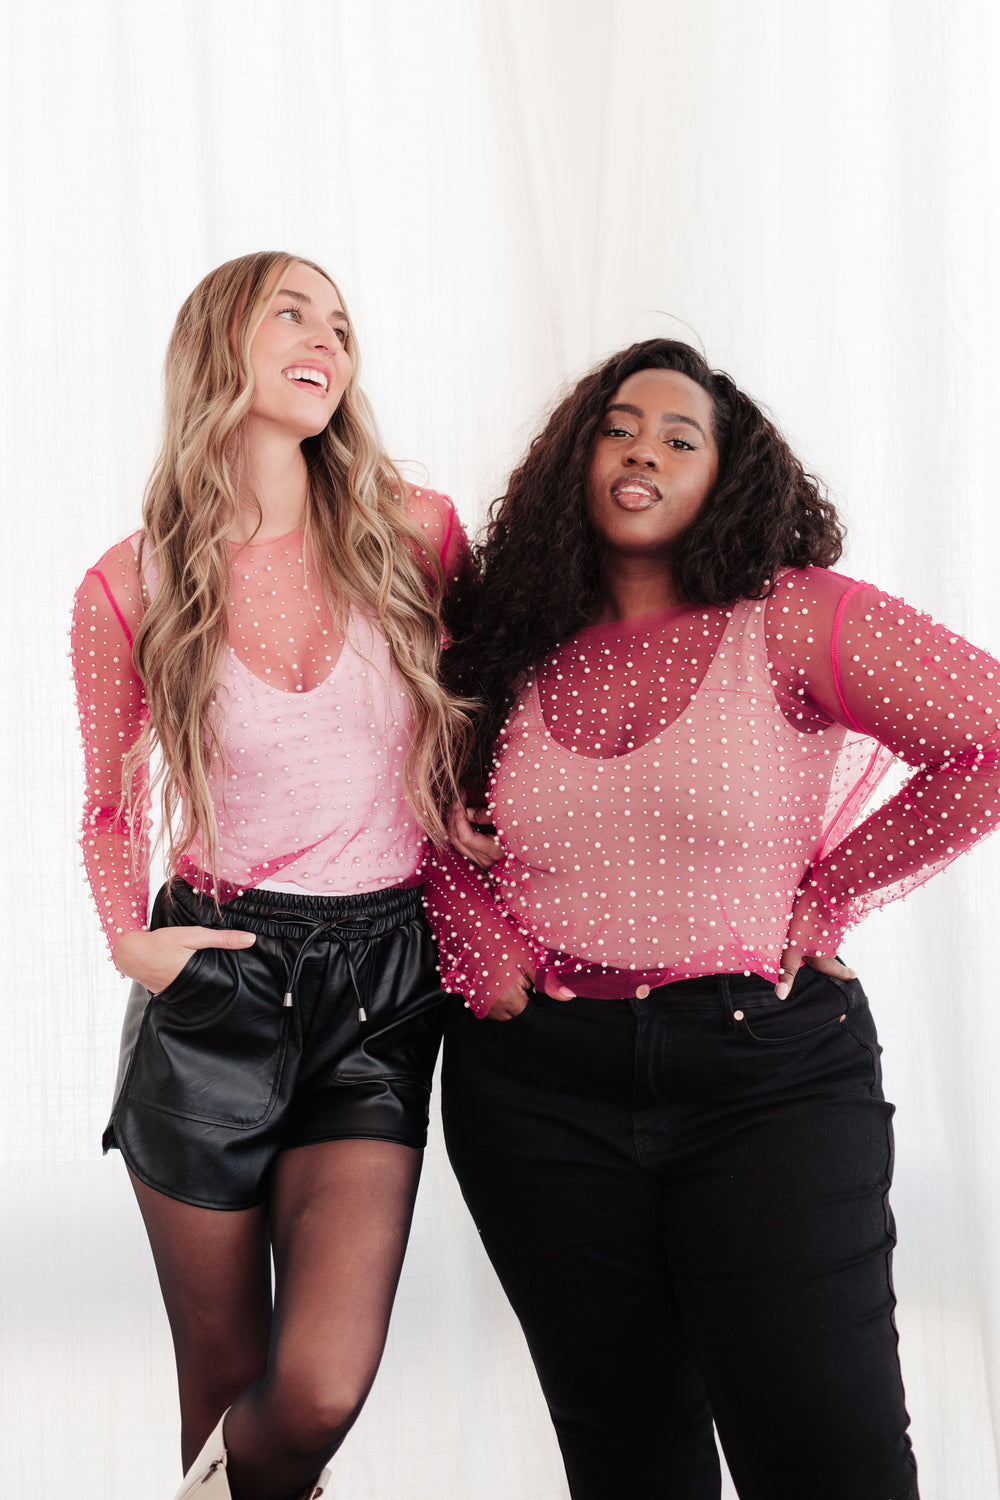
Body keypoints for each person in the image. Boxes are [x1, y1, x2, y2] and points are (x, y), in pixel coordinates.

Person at [426, 337, 1000, 1500]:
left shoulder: (789, 618)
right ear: (575, 460)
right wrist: (477, 939)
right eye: (618, 428)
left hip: (766, 1081)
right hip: (536, 1095)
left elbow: (983, 736)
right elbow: (406, 817)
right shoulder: (505, 641)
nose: (642, 452)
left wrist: (830, 893)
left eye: (679, 438)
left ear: (726, 477)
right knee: (629, 1466)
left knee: (829, 1460)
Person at [71, 251, 469, 1500]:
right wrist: (131, 942)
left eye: (340, 324)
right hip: (216, 989)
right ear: (217, 345)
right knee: (223, 1380)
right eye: (291, 312)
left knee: (315, 1391)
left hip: (381, 992)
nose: (325, 340)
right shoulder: (130, 582)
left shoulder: (416, 532)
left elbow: (489, 728)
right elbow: (108, 804)